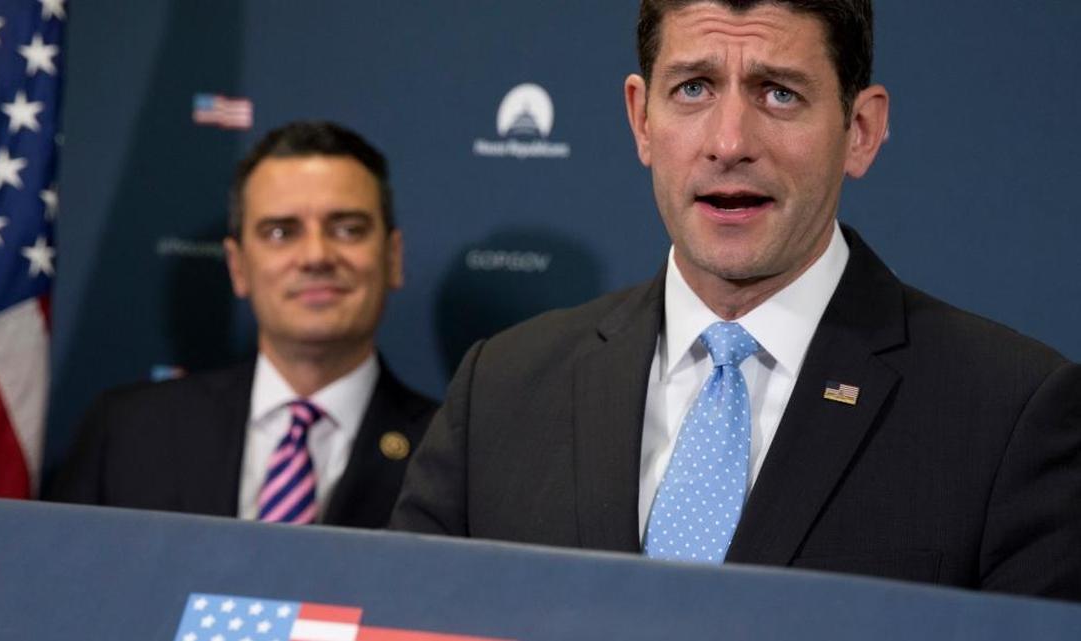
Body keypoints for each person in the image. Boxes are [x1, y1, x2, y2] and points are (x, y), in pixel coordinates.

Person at [391, 0, 1081, 601]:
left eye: (778, 93)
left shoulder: (1011, 413)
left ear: (861, 130)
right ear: (640, 118)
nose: (729, 143)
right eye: (693, 88)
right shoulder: (500, 391)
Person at [48, 121, 437, 528]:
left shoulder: (450, 452)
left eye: (347, 229)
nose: (316, 256)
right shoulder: (129, 433)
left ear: (392, 257)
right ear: (238, 267)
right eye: (280, 232)